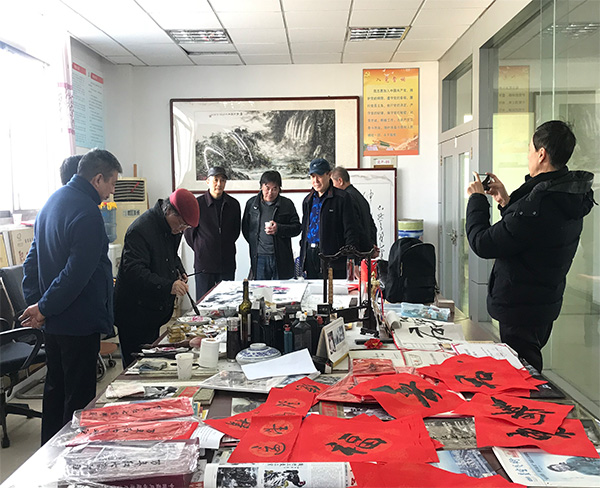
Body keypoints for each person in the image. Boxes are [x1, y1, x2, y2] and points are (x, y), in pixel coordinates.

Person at [465, 120, 595, 372]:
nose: (528, 156)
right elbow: (527, 236)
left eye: (529, 150)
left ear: (541, 154)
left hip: (521, 306)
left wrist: (477, 200)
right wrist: (506, 202)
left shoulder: (540, 204)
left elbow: (483, 243)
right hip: (542, 301)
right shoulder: (566, 193)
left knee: (524, 373)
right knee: (526, 364)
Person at [20, 148, 122, 444]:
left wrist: (38, 306)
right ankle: (71, 458)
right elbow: (76, 274)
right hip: (78, 322)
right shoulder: (87, 213)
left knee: (55, 391)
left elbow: (31, 262)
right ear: (98, 179)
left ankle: (48, 455)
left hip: (54, 321)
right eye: (112, 183)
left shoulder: (51, 202)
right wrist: (43, 308)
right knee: (78, 400)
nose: (111, 192)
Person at [114, 188, 199, 368]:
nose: (181, 230)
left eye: (186, 227)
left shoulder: (171, 228)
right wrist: (169, 286)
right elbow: (134, 272)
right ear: (169, 211)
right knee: (136, 367)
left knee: (151, 361)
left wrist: (178, 269)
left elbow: (170, 255)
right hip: (134, 313)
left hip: (152, 311)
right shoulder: (140, 230)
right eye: (181, 224)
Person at [184, 166, 241, 300]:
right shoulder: (197, 204)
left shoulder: (233, 204)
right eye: (215, 180)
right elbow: (189, 233)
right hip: (204, 263)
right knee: (204, 302)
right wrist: (201, 247)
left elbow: (235, 231)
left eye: (222, 180)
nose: (219, 184)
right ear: (208, 181)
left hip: (227, 262)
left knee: (227, 302)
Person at [299, 158, 359, 279]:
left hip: (334, 258)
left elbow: (351, 230)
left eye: (319, 176)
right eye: (313, 176)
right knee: (312, 289)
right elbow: (305, 230)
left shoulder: (342, 198)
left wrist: (351, 259)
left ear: (329, 174)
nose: (316, 181)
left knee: (333, 290)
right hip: (310, 255)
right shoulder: (308, 200)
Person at [242, 170, 301, 280]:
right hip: (259, 257)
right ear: (261, 187)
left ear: (279, 189)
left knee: (283, 288)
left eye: (274, 189)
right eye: (267, 188)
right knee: (261, 289)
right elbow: (246, 229)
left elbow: (297, 228)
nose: (270, 192)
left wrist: (279, 229)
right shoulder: (251, 204)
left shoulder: (287, 204)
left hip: (281, 257)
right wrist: (256, 244)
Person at [331, 166, 379, 256]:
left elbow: (355, 227)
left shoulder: (346, 199)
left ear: (340, 181)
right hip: (365, 250)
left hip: (356, 250)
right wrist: (372, 246)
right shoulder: (359, 196)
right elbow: (372, 225)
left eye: (332, 183)